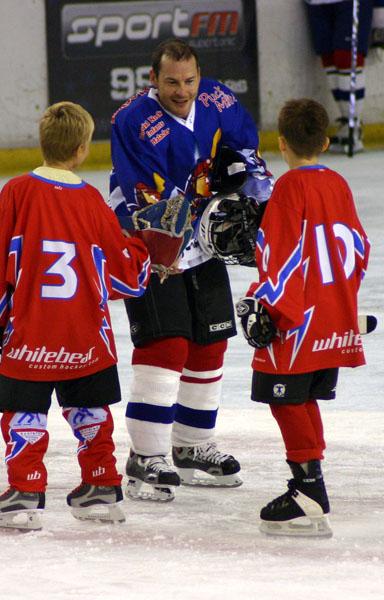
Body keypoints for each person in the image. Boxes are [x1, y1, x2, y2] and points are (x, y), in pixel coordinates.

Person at [109, 38, 274, 501]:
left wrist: (252, 195)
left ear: (198, 76)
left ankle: (192, 445)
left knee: (210, 340)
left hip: (201, 240)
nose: (182, 90)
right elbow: (148, 197)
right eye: (171, 82)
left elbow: (246, 152)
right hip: (152, 242)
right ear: (153, 81)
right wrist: (197, 227)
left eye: (189, 80)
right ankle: (146, 456)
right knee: (168, 343)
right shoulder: (132, 121)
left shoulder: (217, 98)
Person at [0, 101, 153, 530]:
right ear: (83, 149)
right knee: (91, 409)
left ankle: (26, 491)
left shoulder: (15, 192)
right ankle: (100, 487)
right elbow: (126, 276)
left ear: (42, 142)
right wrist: (148, 247)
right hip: (86, 335)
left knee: (22, 413)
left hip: (30, 332)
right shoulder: (92, 202)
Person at [235, 98, 370, 537]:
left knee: (284, 397)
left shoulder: (288, 188)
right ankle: (311, 482)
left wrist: (269, 307)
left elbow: (282, 257)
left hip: (297, 321)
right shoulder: (339, 184)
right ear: (326, 142)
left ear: (281, 144)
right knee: (303, 396)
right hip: (333, 314)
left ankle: (308, 487)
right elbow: (359, 248)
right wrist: (343, 304)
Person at [304, 0, 384, 153]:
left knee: (346, 58)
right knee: (328, 58)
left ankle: (353, 125)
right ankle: (349, 124)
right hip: (316, 3)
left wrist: (380, 18)